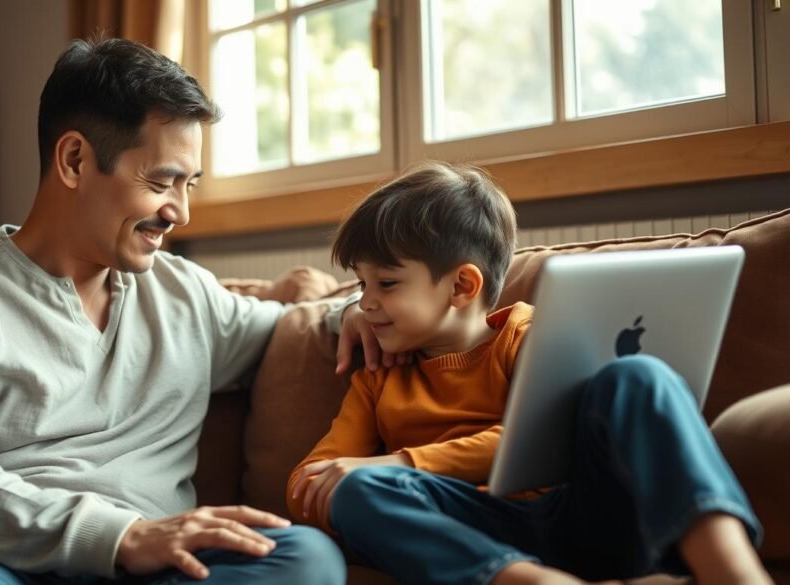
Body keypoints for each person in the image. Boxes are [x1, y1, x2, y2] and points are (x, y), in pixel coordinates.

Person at [0, 37, 387, 585]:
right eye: (161, 181)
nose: (179, 211)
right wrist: (122, 535)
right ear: (74, 160)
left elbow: (291, 327)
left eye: (189, 184)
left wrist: (359, 306)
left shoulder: (187, 294)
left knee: (305, 558)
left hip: (158, 570)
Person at [287, 161, 771, 585]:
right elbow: (309, 482)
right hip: (468, 535)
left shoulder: (529, 334)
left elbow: (537, 438)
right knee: (355, 490)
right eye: (360, 283)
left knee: (638, 376)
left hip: (580, 513)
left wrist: (403, 463)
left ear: (462, 285)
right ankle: (528, 579)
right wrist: (347, 484)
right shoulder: (379, 375)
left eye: (386, 283)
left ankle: (731, 567)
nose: (366, 302)